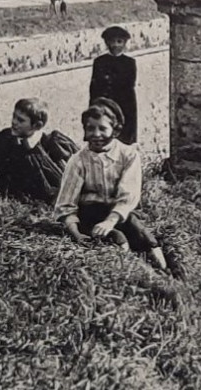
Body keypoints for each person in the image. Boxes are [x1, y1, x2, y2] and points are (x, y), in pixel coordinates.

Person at [55, 99, 169, 274]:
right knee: (118, 238)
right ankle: (136, 273)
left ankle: (166, 272)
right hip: (88, 214)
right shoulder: (78, 161)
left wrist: (111, 221)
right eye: (90, 128)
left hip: (118, 212)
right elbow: (66, 204)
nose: (96, 134)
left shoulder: (128, 155)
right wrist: (76, 234)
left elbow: (128, 195)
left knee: (144, 235)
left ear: (115, 130)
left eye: (102, 128)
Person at [0, 97, 78, 204]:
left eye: (21, 120)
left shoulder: (51, 145)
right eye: (14, 116)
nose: (14, 122)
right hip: (8, 203)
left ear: (37, 126)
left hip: (43, 206)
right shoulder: (5, 138)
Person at [89, 25, 138, 145]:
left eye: (119, 41)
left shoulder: (129, 63)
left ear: (125, 43)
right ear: (107, 43)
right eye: (112, 41)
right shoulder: (99, 62)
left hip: (124, 106)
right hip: (103, 105)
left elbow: (128, 87)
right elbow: (94, 87)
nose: (115, 45)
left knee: (124, 138)